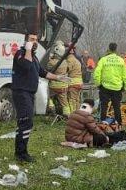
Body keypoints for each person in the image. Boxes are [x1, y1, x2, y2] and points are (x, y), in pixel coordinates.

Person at [11, 33, 68, 162]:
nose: (35, 42)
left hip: (30, 93)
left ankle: (20, 151)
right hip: (21, 92)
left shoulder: (34, 57)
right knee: (26, 121)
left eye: (36, 40)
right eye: (32, 39)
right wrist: (28, 49)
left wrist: (58, 77)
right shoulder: (21, 53)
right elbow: (26, 65)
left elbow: (43, 72)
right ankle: (22, 153)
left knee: (24, 122)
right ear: (26, 41)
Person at [93, 42, 126, 125]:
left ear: (109, 49)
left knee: (104, 106)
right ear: (116, 49)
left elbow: (97, 73)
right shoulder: (121, 60)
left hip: (105, 87)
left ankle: (102, 122)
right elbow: (125, 75)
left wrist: (98, 84)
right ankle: (118, 123)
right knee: (117, 106)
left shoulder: (103, 59)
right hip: (117, 87)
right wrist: (125, 87)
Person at [44, 42, 82, 118]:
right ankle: (69, 115)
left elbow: (47, 70)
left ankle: (52, 108)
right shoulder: (66, 62)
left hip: (56, 85)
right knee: (67, 103)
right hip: (66, 86)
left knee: (49, 97)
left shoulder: (56, 61)